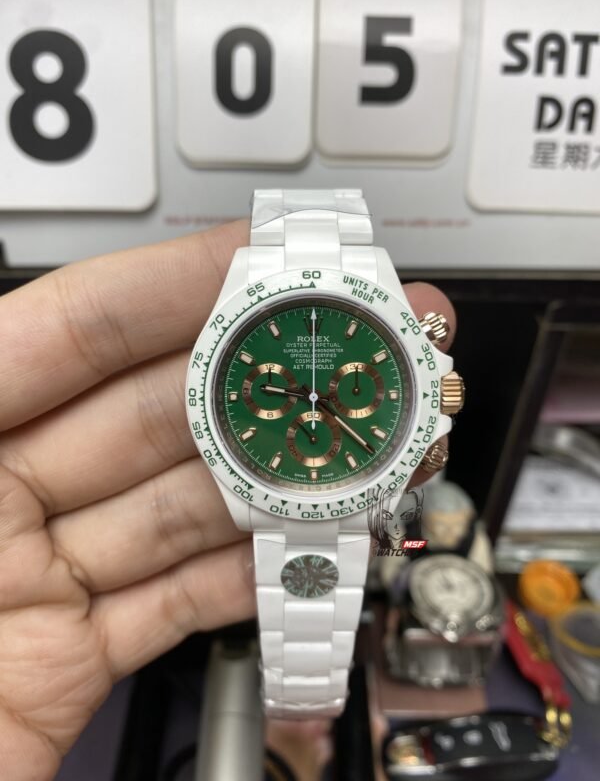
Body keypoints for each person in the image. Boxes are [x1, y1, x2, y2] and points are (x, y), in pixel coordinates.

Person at [0, 220, 456, 780]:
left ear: (437, 390)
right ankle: (300, 721)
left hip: (341, 479)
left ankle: (302, 715)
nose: (315, 400)